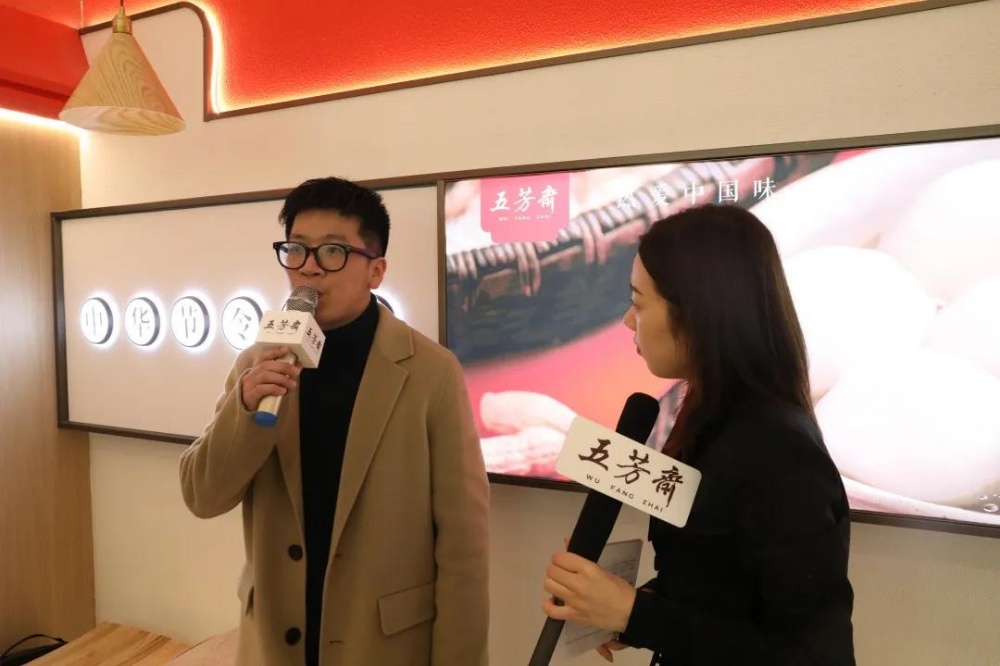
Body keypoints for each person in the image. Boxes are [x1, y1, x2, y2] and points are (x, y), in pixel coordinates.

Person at [179, 177, 491, 666]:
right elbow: (203, 496)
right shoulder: (260, 363)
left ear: (376, 270)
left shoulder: (431, 372)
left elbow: (463, 542)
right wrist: (245, 407)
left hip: (382, 643)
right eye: (296, 249)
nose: (309, 267)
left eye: (332, 251)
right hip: (274, 639)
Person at [541, 203, 855, 665]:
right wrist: (625, 607)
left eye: (638, 302)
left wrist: (635, 613)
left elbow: (812, 655)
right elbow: (722, 587)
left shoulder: (779, 451)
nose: (628, 320)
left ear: (697, 313)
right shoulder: (710, 420)